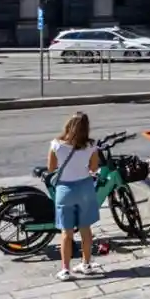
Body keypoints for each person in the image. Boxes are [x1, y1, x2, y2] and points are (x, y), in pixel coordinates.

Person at [48, 112, 101, 282]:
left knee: (66, 232)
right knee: (85, 229)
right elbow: (93, 168)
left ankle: (65, 269)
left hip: (65, 190)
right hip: (85, 188)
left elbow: (51, 168)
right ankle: (86, 264)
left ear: (68, 125)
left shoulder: (56, 145)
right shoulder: (91, 145)